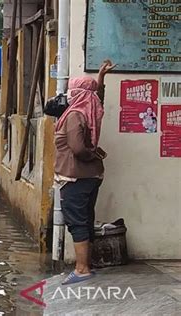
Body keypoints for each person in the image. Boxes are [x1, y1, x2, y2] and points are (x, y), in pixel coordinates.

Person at [55, 60, 116, 285]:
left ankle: (82, 269)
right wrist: (101, 78)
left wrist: (92, 153)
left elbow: (78, 149)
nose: (69, 95)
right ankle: (86, 266)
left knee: (77, 221)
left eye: (72, 91)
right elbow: (98, 96)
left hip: (75, 177)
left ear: (78, 93)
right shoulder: (92, 110)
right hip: (91, 177)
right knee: (86, 219)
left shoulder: (74, 116)